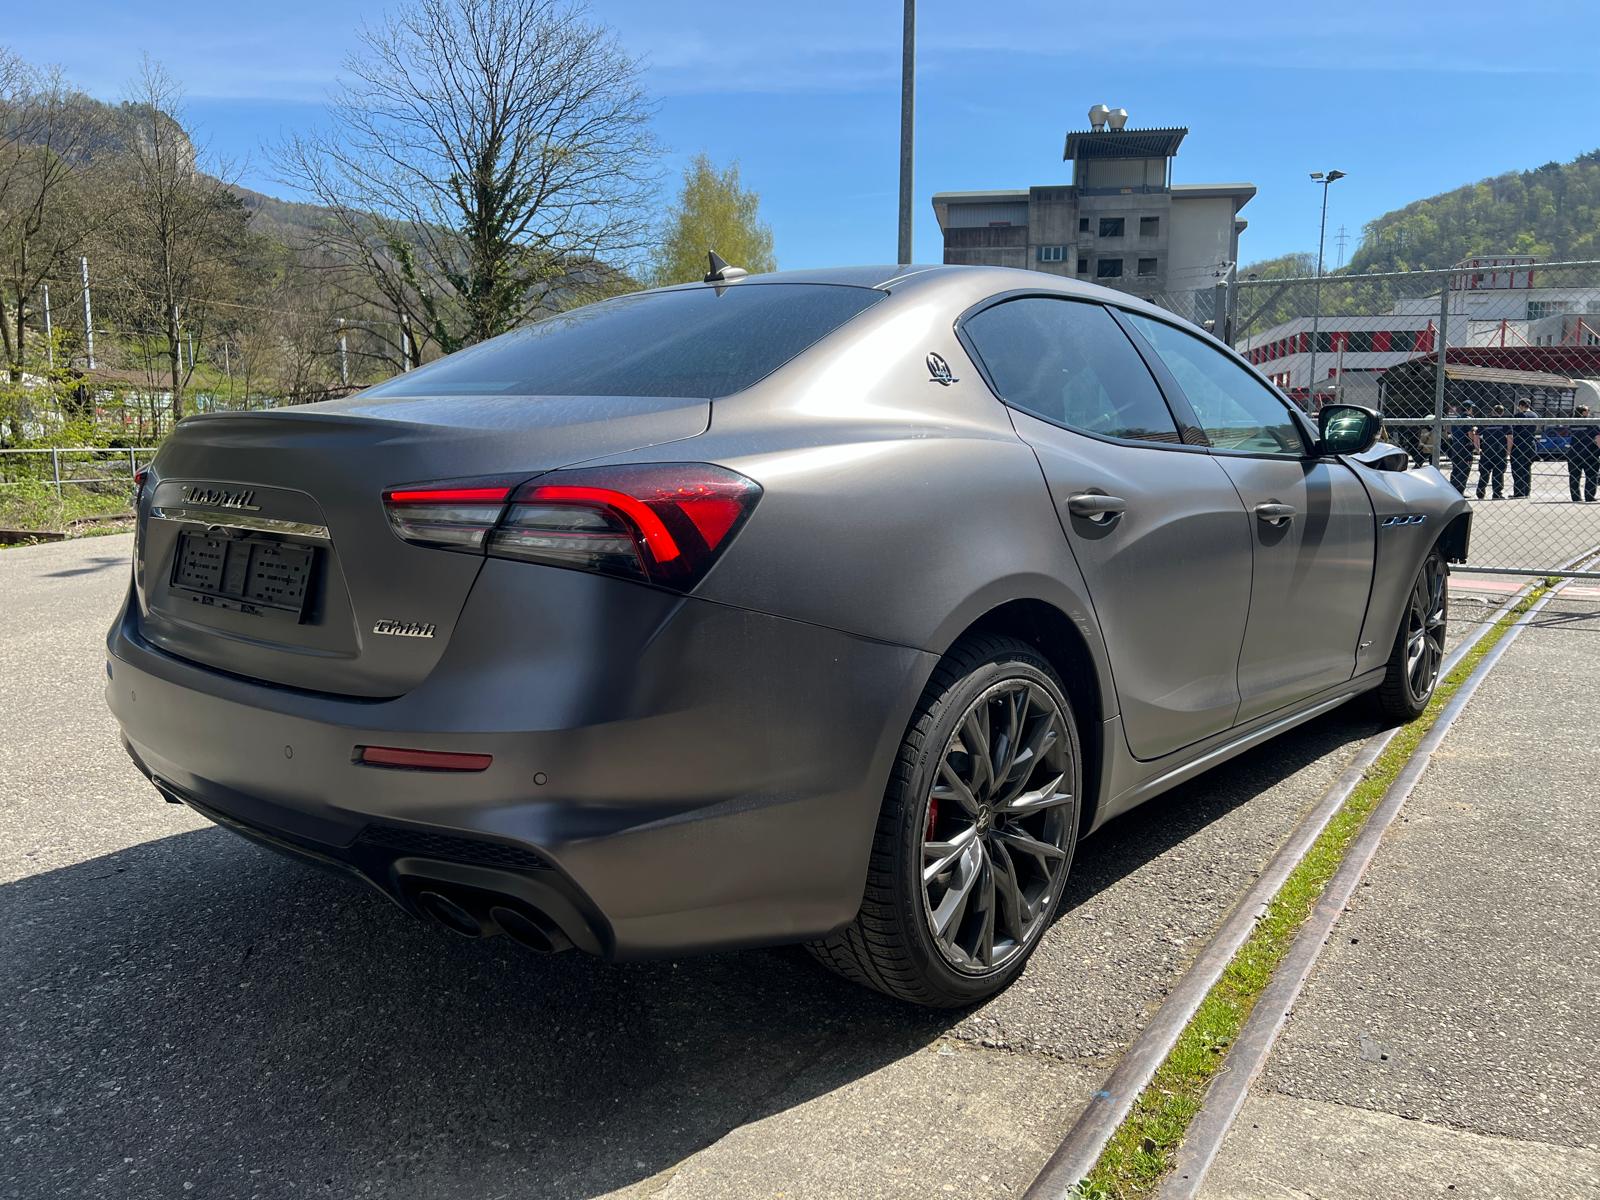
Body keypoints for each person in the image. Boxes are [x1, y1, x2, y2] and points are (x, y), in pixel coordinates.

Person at [1477, 404, 1510, 500]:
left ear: (1492, 411)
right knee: (1498, 473)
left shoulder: (1486, 422)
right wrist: (1508, 451)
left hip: (1487, 451)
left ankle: (1480, 492)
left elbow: (1476, 435)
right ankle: (1497, 493)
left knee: (1484, 473)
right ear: (1502, 412)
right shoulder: (1505, 423)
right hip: (1500, 451)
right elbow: (1509, 437)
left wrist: (1478, 448)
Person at [1568, 404, 1599, 503]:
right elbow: (1598, 438)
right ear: (1583, 412)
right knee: (1591, 475)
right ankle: (1589, 496)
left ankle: (1575, 497)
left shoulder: (1572, 423)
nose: (1589, 412)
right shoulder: (1591, 423)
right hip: (1590, 453)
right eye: (1588, 411)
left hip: (1574, 453)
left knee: (1574, 476)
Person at [1445, 402, 1478, 494]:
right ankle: (1460, 492)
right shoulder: (1467, 419)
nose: (1472, 410)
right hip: (1466, 448)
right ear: (1468, 408)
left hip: (1455, 447)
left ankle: (1453, 491)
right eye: (1471, 408)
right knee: (1464, 470)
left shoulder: (1456, 419)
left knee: (1455, 470)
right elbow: (1470, 434)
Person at [1509, 396, 1538, 498]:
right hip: (1531, 444)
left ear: (1521, 406)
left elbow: (1512, 431)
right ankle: (1526, 492)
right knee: (1527, 469)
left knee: (1517, 469)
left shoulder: (1519, 416)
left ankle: (1519, 492)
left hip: (1519, 445)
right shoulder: (1535, 416)